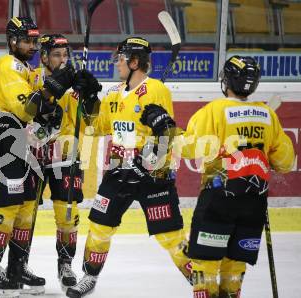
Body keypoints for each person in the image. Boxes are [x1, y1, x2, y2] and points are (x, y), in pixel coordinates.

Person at [152, 55, 295, 298]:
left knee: (204, 266)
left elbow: (188, 148)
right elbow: (285, 162)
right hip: (253, 202)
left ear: (227, 80)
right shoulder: (267, 115)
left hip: (218, 201)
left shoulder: (214, 111)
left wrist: (166, 128)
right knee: (234, 268)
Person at [66, 37, 192, 298]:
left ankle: (199, 278)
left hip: (153, 176)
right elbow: (94, 126)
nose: (117, 64)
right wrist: (88, 97)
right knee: (100, 227)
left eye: (121, 59)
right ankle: (89, 276)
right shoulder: (113, 93)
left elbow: (166, 136)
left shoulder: (157, 90)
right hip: (118, 170)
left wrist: (146, 160)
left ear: (135, 62)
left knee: (170, 236)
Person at [0, 17, 76, 297]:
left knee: (26, 207)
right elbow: (28, 109)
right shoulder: (8, 65)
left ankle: (16, 268)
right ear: (12, 41)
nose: (31, 45)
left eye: (34, 40)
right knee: (8, 207)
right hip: (1, 140)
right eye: (26, 40)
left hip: (18, 142)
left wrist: (54, 103)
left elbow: (42, 110)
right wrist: (56, 86)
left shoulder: (27, 70)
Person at [27, 33, 89, 291]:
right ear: (44, 57)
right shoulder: (31, 79)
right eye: (56, 55)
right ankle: (19, 265)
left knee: (68, 214)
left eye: (65, 55)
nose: (63, 60)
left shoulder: (76, 86)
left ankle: (65, 263)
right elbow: (26, 113)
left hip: (65, 155)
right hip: (34, 154)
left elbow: (91, 122)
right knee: (24, 214)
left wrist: (89, 96)